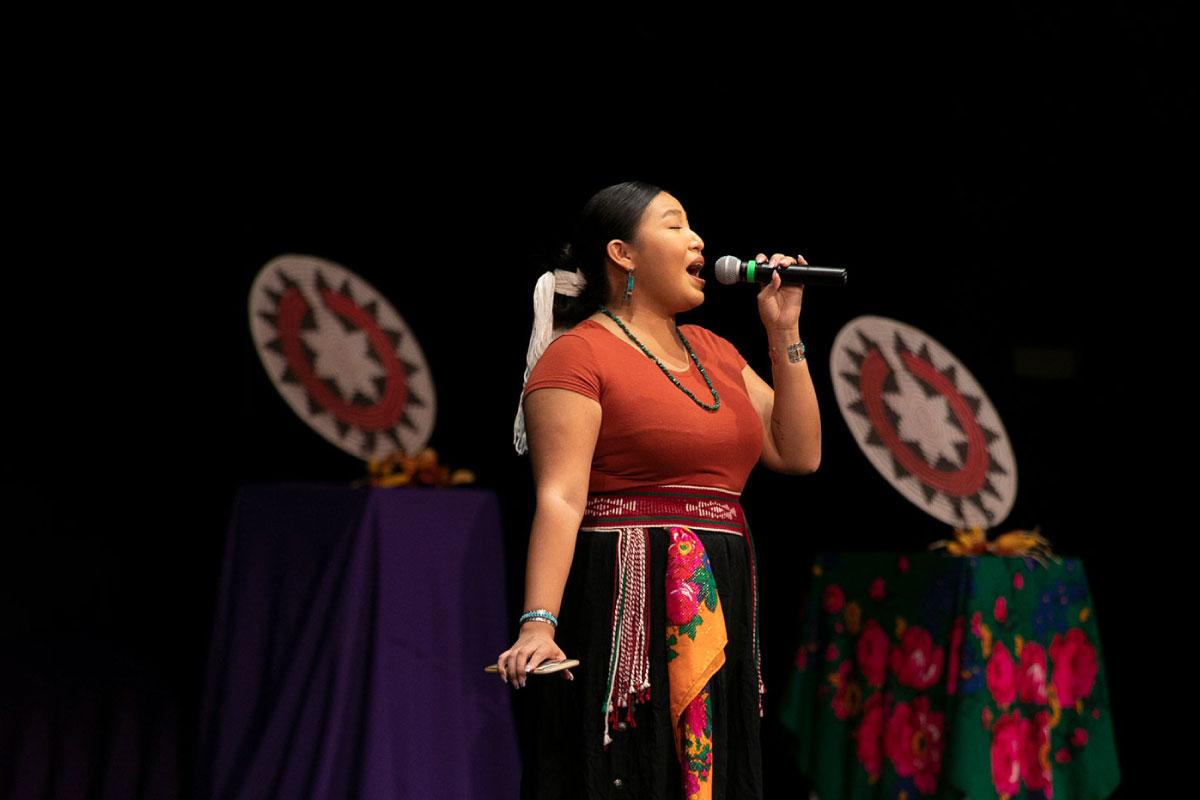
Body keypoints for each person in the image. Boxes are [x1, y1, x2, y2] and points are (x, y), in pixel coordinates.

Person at [499, 180, 821, 799]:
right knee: (630, 769)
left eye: (693, 226)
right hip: (626, 592)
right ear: (623, 253)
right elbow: (560, 497)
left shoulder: (714, 350)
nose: (698, 239)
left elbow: (799, 453)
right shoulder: (576, 356)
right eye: (675, 225)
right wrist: (539, 624)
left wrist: (784, 332)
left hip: (715, 591)